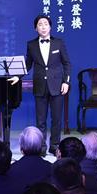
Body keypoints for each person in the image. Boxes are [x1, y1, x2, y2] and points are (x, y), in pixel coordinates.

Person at [25, 14, 71, 155]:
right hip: (40, 86)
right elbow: (27, 64)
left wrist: (66, 82)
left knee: (56, 119)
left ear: (50, 27)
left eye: (46, 24)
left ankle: (54, 146)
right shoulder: (31, 45)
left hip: (57, 86)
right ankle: (41, 147)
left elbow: (67, 63)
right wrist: (17, 75)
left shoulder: (59, 43)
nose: (43, 27)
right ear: (36, 28)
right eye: (40, 24)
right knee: (40, 120)